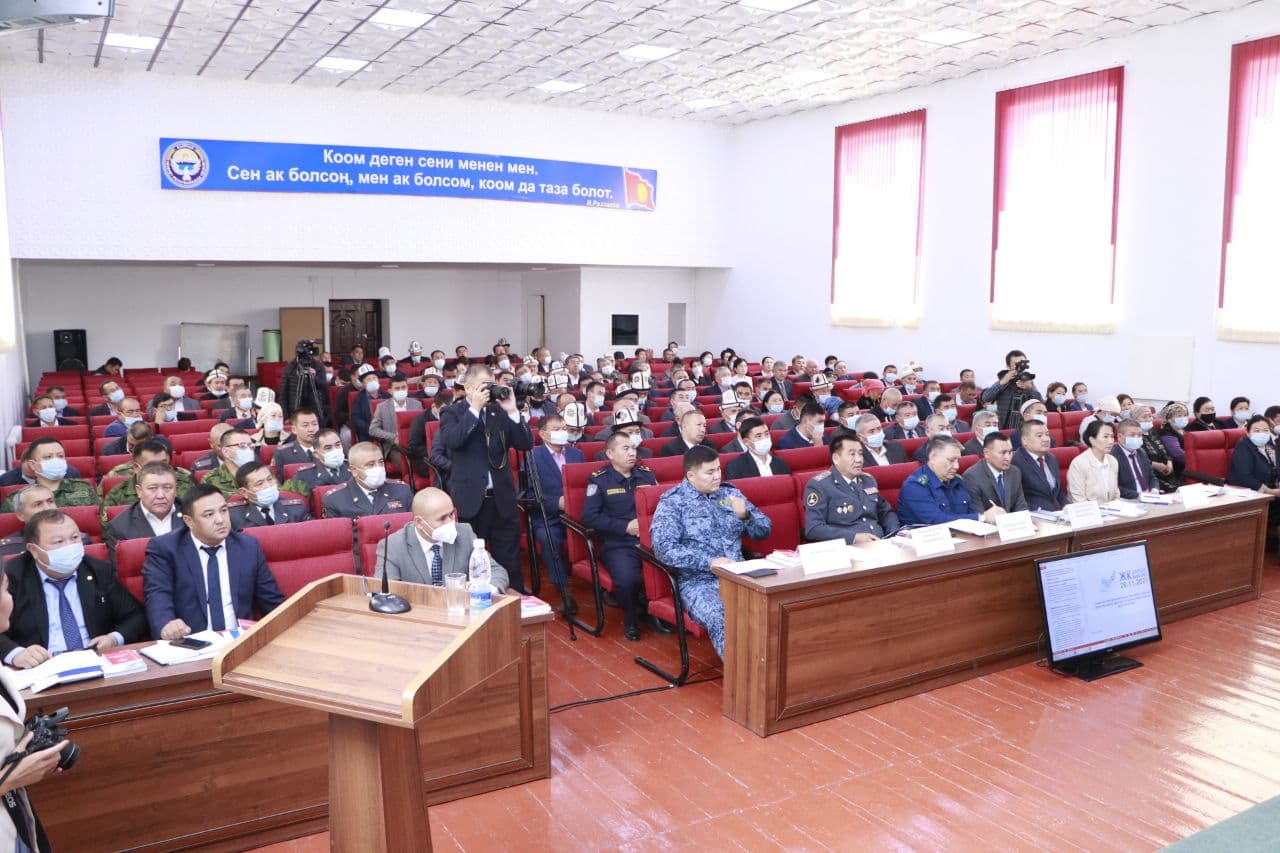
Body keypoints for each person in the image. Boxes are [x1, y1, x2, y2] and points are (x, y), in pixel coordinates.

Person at [650, 446, 771, 658]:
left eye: (718, 469)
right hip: (699, 582)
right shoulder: (673, 502)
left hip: (740, 575)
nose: (717, 476)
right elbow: (664, 549)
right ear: (691, 475)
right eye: (710, 472)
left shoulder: (730, 493)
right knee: (722, 616)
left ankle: (770, 665)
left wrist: (745, 516)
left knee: (773, 606)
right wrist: (709, 562)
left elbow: (764, 530)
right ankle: (741, 673)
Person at [1, 509, 148, 667]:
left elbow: (136, 616)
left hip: (94, 661)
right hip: (40, 667)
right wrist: (15, 654)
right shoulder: (12, 577)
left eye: (75, 538)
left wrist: (114, 638)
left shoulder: (98, 570)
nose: (70, 547)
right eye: (58, 542)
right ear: (34, 550)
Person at [434, 365, 534, 591]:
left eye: (492, 385)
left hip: (502, 498)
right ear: (469, 388)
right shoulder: (452, 412)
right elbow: (452, 441)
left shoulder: (500, 411)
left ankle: (511, 599)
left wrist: (512, 411)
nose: (489, 390)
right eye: (483, 386)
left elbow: (525, 443)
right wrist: (475, 410)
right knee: (469, 558)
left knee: (509, 559)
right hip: (469, 498)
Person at [142, 484, 285, 640]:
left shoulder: (248, 547)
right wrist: (166, 624)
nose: (220, 520)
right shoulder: (166, 549)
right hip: (192, 643)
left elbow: (272, 601)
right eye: (209, 515)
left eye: (223, 510)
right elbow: (158, 595)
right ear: (189, 521)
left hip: (240, 641)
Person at [0, 567, 67, 852]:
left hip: (13, 824)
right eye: (5, 590)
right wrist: (7, 781)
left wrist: (29, 749)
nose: (11, 598)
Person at [581, 432, 660, 640]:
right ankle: (631, 619)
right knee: (628, 579)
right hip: (618, 543)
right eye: (625, 448)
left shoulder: (646, 474)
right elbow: (589, 517)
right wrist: (625, 527)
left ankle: (657, 614)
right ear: (610, 453)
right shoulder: (599, 479)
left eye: (633, 448)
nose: (632, 453)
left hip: (650, 540)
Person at [374, 487, 510, 592]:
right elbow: (386, 591)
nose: (451, 522)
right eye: (442, 518)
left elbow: (497, 572)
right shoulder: (392, 546)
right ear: (420, 523)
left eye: (451, 515)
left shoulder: (464, 533)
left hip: (460, 613)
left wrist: (486, 588)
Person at [528, 415, 582, 612]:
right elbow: (527, 495)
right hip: (548, 517)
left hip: (577, 515)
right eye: (556, 429)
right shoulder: (532, 457)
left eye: (564, 428)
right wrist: (555, 503)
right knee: (549, 539)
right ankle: (564, 592)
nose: (562, 432)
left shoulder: (577, 454)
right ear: (543, 434)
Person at [803, 435, 900, 543]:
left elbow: (886, 512)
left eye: (860, 453)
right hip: (847, 548)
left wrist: (894, 533)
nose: (859, 460)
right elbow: (814, 528)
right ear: (836, 458)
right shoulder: (819, 485)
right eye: (852, 454)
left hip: (880, 543)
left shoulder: (868, 480)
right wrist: (854, 538)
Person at [898, 436, 1006, 526]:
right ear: (933, 458)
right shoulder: (915, 486)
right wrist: (982, 517)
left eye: (958, 460)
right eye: (951, 460)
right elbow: (937, 520)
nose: (957, 466)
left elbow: (971, 511)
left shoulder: (957, 481)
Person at [321, 442, 414, 519]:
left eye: (381, 462)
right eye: (371, 464)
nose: (378, 468)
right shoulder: (334, 499)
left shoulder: (402, 490)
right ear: (354, 471)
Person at [0, 440, 96, 512]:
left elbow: (99, 517)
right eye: (48, 457)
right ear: (33, 465)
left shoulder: (84, 487)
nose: (56, 461)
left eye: (60, 456)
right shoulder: (16, 499)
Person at [106, 462, 183, 547]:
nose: (160, 495)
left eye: (167, 488)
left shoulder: (191, 513)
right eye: (153, 488)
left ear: (175, 489)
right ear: (139, 491)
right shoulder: (120, 527)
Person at [101, 439, 194, 507]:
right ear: (136, 468)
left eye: (164, 464)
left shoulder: (184, 484)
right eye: (152, 465)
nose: (160, 469)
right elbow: (110, 525)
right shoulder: (118, 494)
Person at [1228, 415, 1280, 526]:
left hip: (1273, 493)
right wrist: (1270, 492)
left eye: (1265, 430)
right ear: (1248, 433)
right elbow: (1244, 477)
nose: (1262, 433)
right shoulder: (1243, 446)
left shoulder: (1270, 446)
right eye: (1257, 431)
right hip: (1254, 495)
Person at [0, 486, 79, 558]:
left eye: (50, 501)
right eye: (38, 504)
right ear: (21, 515)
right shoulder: (7, 549)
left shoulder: (79, 539)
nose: (47, 508)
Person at [228, 462, 310, 529]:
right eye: (260, 484)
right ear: (244, 493)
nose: (268, 486)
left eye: (269, 479)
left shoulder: (296, 508)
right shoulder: (233, 516)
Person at [961, 432, 1028, 512]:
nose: (1008, 458)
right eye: (1003, 453)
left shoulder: (1014, 472)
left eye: (1010, 452)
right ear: (986, 453)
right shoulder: (972, 477)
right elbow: (978, 514)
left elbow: (1021, 506)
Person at [1011, 420, 1068, 511]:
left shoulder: (1051, 458)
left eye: (1047, 434)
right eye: (1039, 436)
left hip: (1058, 513)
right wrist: (1039, 511)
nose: (1046, 439)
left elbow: (1058, 491)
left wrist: (1067, 507)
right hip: (1035, 514)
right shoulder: (1015, 461)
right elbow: (1015, 499)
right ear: (1025, 440)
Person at [981, 349, 1042, 431]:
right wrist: (1002, 382)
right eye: (1017, 363)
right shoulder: (1003, 381)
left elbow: (1040, 404)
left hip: (1023, 428)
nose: (1020, 366)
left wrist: (1030, 389)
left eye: (1023, 363)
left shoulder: (1028, 382)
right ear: (1008, 366)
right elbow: (986, 398)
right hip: (1003, 427)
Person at [1068, 420, 1120, 503]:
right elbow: (1078, 500)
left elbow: (1116, 494)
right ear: (1092, 440)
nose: (1111, 441)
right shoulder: (1079, 463)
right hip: (1087, 510)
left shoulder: (1112, 461)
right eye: (1105, 437)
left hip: (1111, 509)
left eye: (1112, 436)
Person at [724, 416, 790, 480]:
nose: (764, 439)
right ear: (746, 442)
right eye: (758, 436)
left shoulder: (780, 463)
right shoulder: (735, 466)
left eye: (767, 434)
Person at [290, 429, 352, 494]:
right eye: (328, 448)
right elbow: (296, 498)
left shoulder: (354, 467)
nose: (335, 450)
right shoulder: (303, 475)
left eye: (337, 445)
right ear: (316, 454)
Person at [1133, 405, 1180, 491]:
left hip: (1168, 474)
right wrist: (1155, 465)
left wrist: (1169, 462)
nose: (1148, 419)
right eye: (1144, 417)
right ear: (1135, 420)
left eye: (1150, 416)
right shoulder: (1134, 437)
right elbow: (1137, 458)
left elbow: (1165, 449)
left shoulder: (1152, 431)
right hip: (1151, 476)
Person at [201, 429, 257, 497]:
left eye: (251, 446)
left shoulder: (261, 473)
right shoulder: (210, 480)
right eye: (242, 446)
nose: (249, 450)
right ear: (226, 452)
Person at [271, 407, 322, 479]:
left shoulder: (327, 448)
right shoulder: (283, 453)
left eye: (314, 424)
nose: (311, 429)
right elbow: (280, 482)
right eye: (305, 425)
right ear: (294, 430)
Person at [1112, 419, 1156, 499]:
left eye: (1139, 435)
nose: (1137, 438)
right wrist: (1138, 495)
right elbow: (1114, 488)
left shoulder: (1141, 452)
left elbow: (1152, 477)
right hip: (1129, 500)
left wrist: (1154, 489)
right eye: (1132, 435)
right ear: (1119, 436)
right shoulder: (1112, 456)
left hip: (1150, 497)